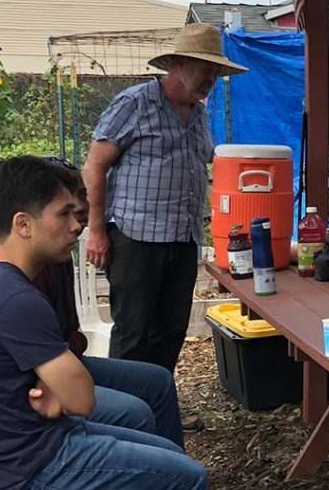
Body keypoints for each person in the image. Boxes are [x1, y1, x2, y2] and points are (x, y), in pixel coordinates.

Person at [0, 156, 207, 490]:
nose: (77, 226)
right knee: (189, 479)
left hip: (36, 443)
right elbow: (83, 398)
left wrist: (59, 390)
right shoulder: (14, 298)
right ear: (23, 225)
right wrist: (62, 393)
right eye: (63, 214)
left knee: (171, 455)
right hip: (28, 472)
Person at [0, 156, 186, 448]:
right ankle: (145, 478)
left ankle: (171, 470)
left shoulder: (54, 252)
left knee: (158, 381)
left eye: (81, 196)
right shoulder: (12, 277)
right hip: (36, 385)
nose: (80, 213)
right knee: (134, 413)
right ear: (26, 222)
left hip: (66, 361)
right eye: (68, 205)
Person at [83, 23, 247, 376]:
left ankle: (158, 405)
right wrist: (95, 229)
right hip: (135, 237)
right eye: (207, 69)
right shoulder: (135, 103)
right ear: (179, 64)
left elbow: (208, 162)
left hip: (184, 238)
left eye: (217, 73)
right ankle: (126, 415)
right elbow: (94, 166)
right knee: (134, 331)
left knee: (172, 329)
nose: (212, 79)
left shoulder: (200, 114)